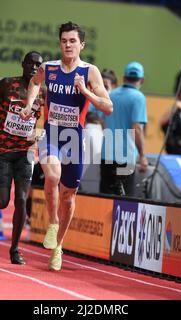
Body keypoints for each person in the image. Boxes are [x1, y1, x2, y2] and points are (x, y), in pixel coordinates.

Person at [20, 22, 113, 271]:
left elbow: (108, 106)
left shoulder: (89, 71)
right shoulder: (48, 68)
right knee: (52, 175)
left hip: (75, 140)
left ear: (81, 44)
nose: (68, 45)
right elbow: (35, 82)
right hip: (51, 135)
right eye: (64, 40)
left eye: (73, 41)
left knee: (69, 196)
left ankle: (59, 246)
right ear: (59, 43)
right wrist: (30, 104)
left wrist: (85, 91)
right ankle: (52, 223)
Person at [0, 51, 45, 264]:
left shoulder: (43, 93)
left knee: (21, 199)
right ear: (23, 64)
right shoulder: (7, 84)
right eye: (31, 63)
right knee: (1, 202)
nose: (34, 67)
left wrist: (40, 134)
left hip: (26, 153)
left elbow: (50, 119)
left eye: (39, 65)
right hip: (5, 153)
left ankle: (15, 249)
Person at [100, 61, 148, 196]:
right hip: (126, 157)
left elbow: (102, 122)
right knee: (124, 201)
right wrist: (142, 155)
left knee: (105, 198)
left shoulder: (111, 95)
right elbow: (137, 128)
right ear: (142, 80)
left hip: (106, 154)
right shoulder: (138, 98)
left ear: (123, 78)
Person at [160, 85, 181, 155]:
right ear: (179, 97)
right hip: (174, 151)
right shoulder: (175, 112)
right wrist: (175, 108)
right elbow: (162, 123)